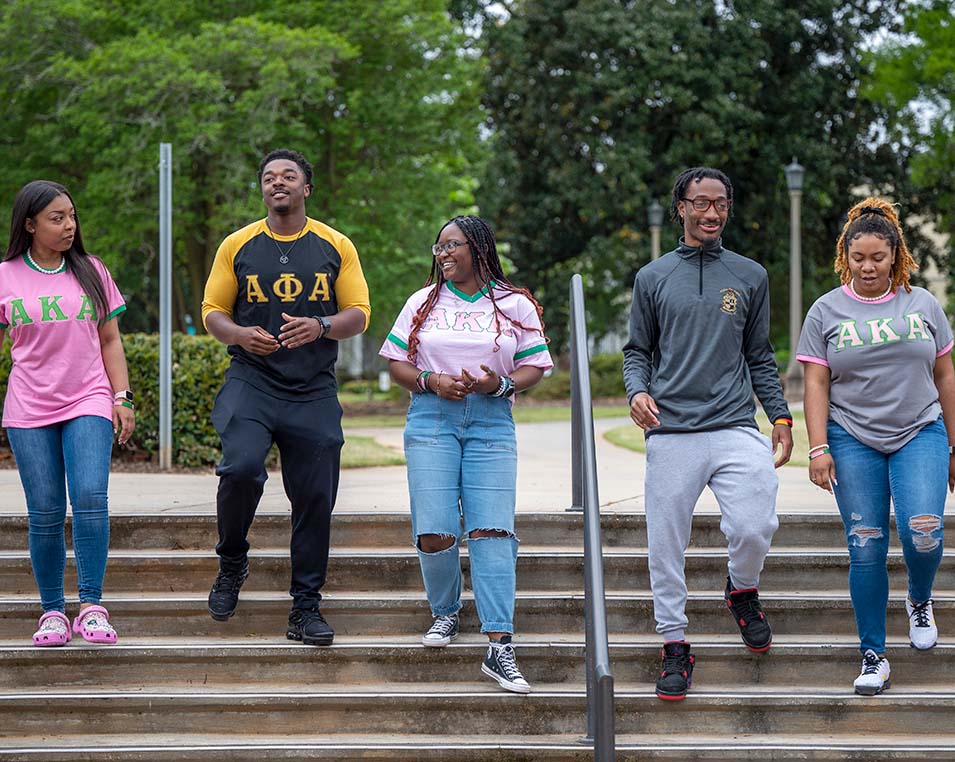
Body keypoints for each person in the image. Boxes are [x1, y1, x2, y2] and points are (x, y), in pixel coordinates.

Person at [623, 167, 794, 701]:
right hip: (672, 431)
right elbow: (637, 352)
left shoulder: (750, 275)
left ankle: (741, 589)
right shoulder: (653, 277)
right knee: (664, 543)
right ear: (681, 207)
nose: (712, 213)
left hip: (734, 424)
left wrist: (781, 417)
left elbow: (760, 356)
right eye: (700, 203)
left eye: (720, 203)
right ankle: (675, 644)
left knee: (755, 522)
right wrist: (636, 391)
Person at [201, 148, 370, 646]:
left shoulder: (335, 244)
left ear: (306, 189)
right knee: (240, 467)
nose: (279, 183)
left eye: (289, 176)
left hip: (312, 388)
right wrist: (237, 334)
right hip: (252, 380)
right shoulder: (237, 244)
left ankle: (305, 607)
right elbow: (213, 309)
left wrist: (320, 325)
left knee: (315, 496)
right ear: (262, 189)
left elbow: (358, 313)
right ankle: (232, 561)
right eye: (270, 177)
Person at [379, 215, 552, 693]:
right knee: (434, 529)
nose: (444, 254)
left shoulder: (513, 304)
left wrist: (499, 384)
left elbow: (535, 366)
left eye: (453, 245)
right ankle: (446, 612)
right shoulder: (423, 302)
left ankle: (500, 646)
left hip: (491, 421)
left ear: (478, 248)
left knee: (492, 529)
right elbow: (396, 361)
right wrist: (430, 380)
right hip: (432, 417)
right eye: (439, 248)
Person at [797, 198, 955, 696]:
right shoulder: (826, 309)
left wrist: (954, 445)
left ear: (896, 257)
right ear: (846, 256)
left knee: (923, 533)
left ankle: (919, 597)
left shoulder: (923, 304)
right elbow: (816, 384)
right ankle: (873, 654)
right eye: (859, 258)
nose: (869, 267)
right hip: (851, 436)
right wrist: (817, 448)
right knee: (865, 545)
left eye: (878, 258)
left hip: (920, 430)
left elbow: (946, 375)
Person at [0, 180, 134, 647]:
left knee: (91, 499)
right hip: (29, 406)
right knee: (45, 512)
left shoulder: (92, 271)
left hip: (88, 398)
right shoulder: (5, 276)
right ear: (30, 224)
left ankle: (92, 606)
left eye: (71, 216)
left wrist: (123, 397)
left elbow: (110, 340)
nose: (69, 225)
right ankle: (53, 611)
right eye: (57, 218)